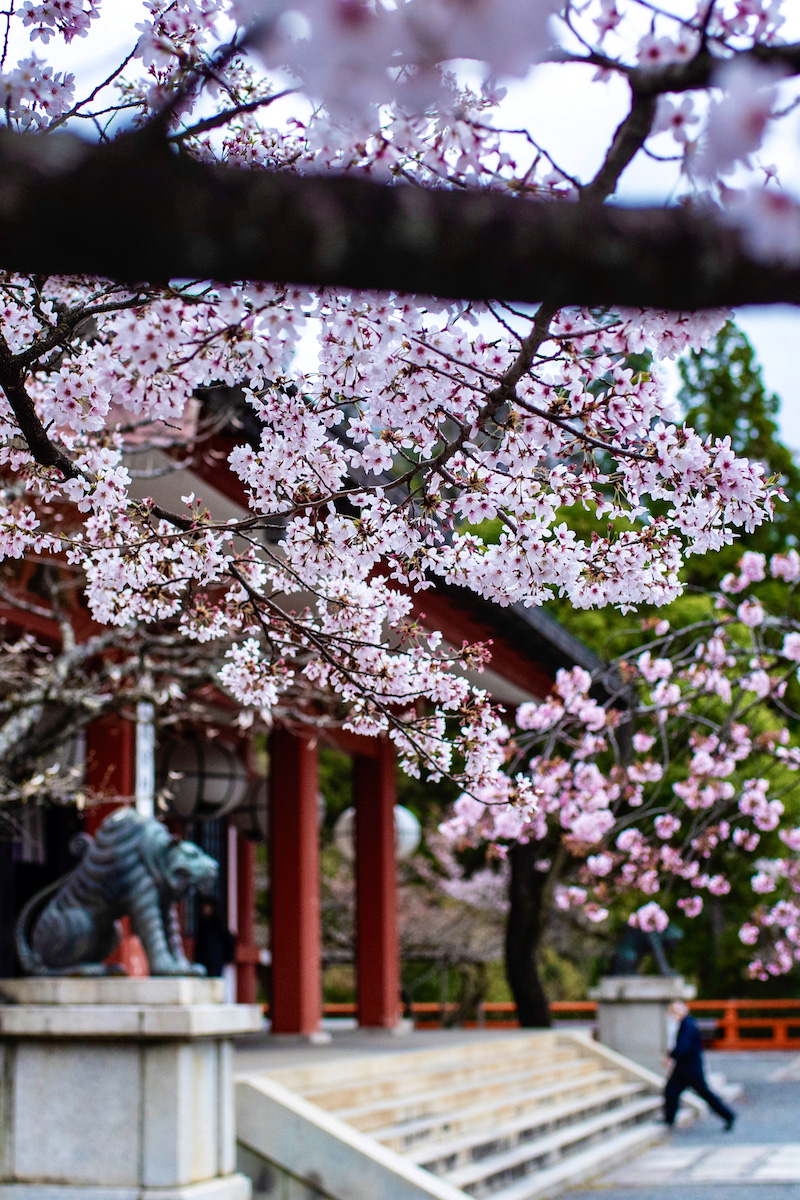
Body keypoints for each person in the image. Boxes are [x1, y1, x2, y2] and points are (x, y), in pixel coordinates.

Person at [663, 999, 736, 1130]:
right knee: (671, 1091)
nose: (673, 1015)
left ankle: (728, 1115)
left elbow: (683, 1048)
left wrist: (671, 1055)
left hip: (690, 1069)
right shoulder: (687, 1024)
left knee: (705, 1094)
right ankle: (669, 1120)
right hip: (684, 1068)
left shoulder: (688, 1025)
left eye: (674, 1011)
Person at [193, 896, 236, 979]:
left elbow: (229, 941)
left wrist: (228, 958)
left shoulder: (219, 924)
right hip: (203, 961)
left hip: (216, 961)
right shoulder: (202, 924)